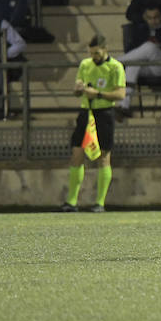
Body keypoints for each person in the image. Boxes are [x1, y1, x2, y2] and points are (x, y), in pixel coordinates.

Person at [62, 35, 125, 211]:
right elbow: (78, 88)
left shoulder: (115, 67)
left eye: (96, 53)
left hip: (104, 113)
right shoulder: (85, 64)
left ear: (105, 50)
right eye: (91, 53)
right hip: (86, 112)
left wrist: (97, 94)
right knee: (77, 153)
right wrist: (78, 90)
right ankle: (71, 202)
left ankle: (100, 203)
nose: (93, 56)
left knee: (103, 156)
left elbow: (120, 94)